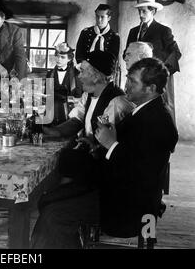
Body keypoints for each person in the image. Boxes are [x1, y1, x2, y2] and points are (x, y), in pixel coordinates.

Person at [31, 50, 134, 249]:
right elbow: (76, 120)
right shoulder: (89, 94)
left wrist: (91, 144)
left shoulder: (116, 103)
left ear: (96, 75)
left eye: (83, 71)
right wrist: (52, 132)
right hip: (89, 167)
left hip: (102, 179)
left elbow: (105, 144)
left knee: (52, 196)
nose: (79, 75)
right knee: (50, 194)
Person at [95, 57, 178, 237]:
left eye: (132, 82)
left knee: (55, 213)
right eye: (127, 79)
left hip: (128, 209)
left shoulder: (159, 122)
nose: (126, 86)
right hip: (119, 194)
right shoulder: (144, 111)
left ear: (151, 88)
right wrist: (102, 143)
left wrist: (111, 144)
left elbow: (142, 174)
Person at [125, 0, 181, 122]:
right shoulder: (133, 32)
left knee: (165, 106)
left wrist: (163, 72)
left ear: (153, 11)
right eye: (139, 11)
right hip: (139, 77)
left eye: (144, 11)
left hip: (159, 77)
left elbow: (176, 53)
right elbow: (126, 53)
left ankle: (169, 135)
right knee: (138, 105)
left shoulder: (163, 31)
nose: (141, 14)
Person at [45, 42, 82, 125]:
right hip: (52, 113)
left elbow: (78, 95)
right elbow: (46, 94)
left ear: (69, 59)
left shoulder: (76, 74)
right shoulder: (50, 74)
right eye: (57, 56)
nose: (59, 59)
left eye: (62, 57)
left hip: (70, 113)